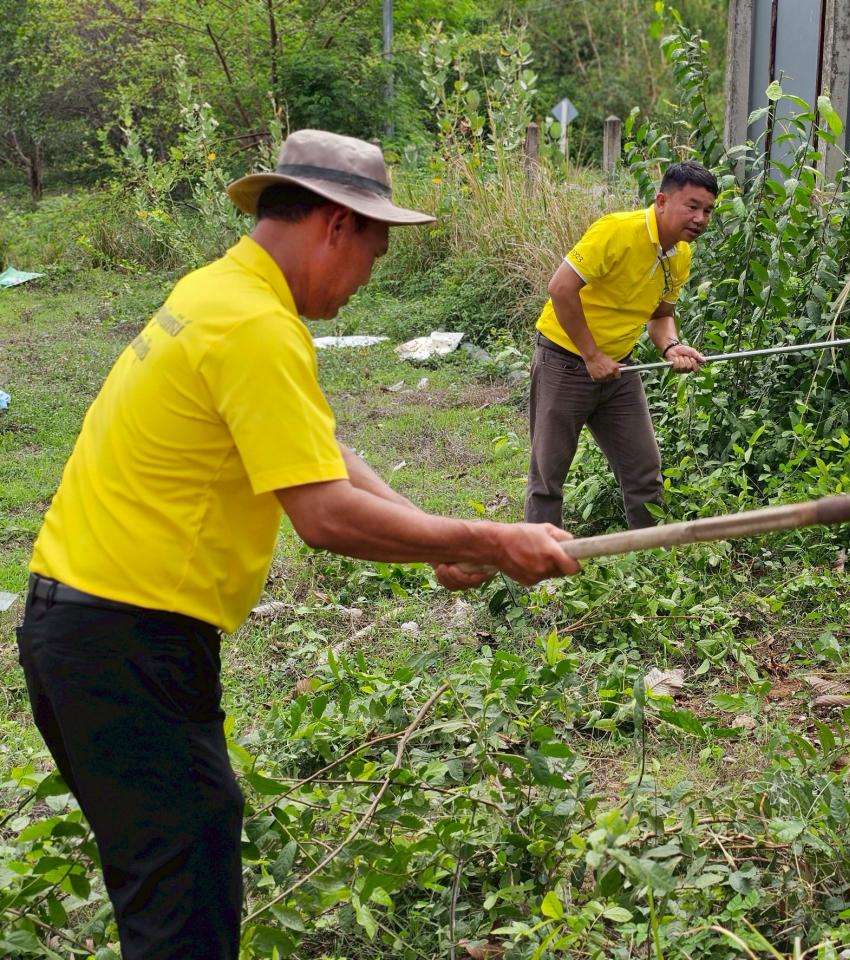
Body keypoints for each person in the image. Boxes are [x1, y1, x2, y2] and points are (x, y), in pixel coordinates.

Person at [16, 129, 578, 960]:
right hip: (125, 645)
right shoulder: (253, 325)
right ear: (336, 225)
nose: (365, 281)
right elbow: (324, 516)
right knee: (182, 917)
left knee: (171, 882)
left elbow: (315, 450)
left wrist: (436, 541)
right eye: (376, 255)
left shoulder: (220, 292)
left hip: (83, 630)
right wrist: (493, 540)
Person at [524, 161, 718, 530]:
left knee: (645, 472)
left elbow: (661, 315)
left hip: (619, 370)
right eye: (691, 206)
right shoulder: (616, 230)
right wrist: (591, 355)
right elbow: (560, 289)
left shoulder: (680, 254)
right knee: (547, 478)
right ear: (661, 201)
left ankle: (648, 561)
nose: (700, 219)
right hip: (563, 362)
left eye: (707, 211)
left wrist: (671, 347)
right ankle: (539, 570)